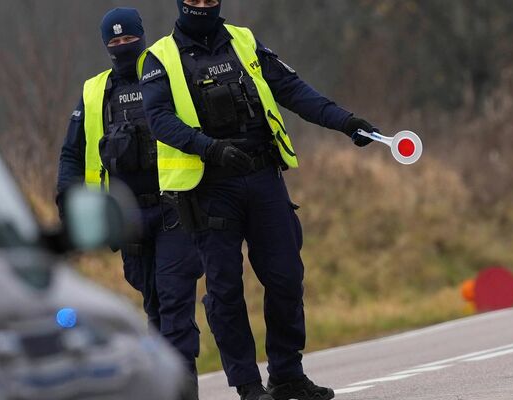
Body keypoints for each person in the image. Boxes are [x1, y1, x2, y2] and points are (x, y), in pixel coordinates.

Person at [138, 1, 379, 399]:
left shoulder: (245, 41)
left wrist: (347, 122)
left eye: (209, 0)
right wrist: (209, 148)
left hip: (263, 177)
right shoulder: (158, 58)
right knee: (226, 290)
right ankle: (249, 387)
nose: (203, 6)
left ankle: (286, 374)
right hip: (209, 187)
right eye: (193, 1)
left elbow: (291, 90)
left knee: (286, 277)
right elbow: (159, 118)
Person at [55, 7, 204, 392]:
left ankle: (183, 386)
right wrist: (68, 200)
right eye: (115, 41)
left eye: (129, 39)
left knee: (174, 302)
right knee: (153, 305)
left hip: (174, 207)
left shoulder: (166, 75)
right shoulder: (95, 92)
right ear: (106, 45)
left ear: (142, 36)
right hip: (129, 217)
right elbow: (72, 154)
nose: (123, 46)